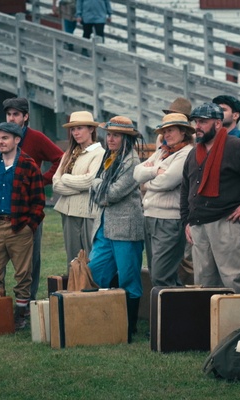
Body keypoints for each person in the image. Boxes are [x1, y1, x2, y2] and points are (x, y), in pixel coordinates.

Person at [180, 103, 240, 293]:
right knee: (204, 283)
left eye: (203, 122)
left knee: (236, 280)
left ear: (218, 124)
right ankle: (211, 323)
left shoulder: (237, 147)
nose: (198, 126)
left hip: (227, 222)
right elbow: (186, 188)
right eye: (196, 122)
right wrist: (186, 220)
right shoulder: (193, 153)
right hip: (199, 224)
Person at [0, 97, 63, 302]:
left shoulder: (36, 138)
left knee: (30, 261)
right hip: (2, 208)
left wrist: (42, 179)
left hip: (29, 210)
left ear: (25, 117)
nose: (11, 118)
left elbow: (60, 158)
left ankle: (28, 302)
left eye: (16, 114)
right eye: (9, 114)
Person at [0, 122, 45, 329]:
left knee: (23, 274)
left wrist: (29, 226)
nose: (1, 142)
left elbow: (38, 201)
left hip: (19, 226)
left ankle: (20, 313)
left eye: (5, 138)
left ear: (17, 140)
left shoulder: (29, 164)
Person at [88, 116, 144, 342]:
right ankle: (101, 320)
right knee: (95, 270)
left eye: (116, 135)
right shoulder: (108, 157)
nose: (110, 138)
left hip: (126, 229)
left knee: (129, 277)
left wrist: (95, 185)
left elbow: (111, 193)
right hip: (104, 226)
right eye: (109, 134)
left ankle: (128, 327)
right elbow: (102, 190)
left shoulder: (132, 162)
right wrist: (98, 186)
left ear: (126, 138)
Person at [134, 113, 194, 287]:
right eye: (164, 131)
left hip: (170, 219)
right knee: (158, 273)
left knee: (161, 275)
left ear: (183, 132)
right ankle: (174, 311)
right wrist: (155, 172)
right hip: (151, 216)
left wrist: (149, 175)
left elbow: (166, 182)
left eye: (171, 130)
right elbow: (137, 174)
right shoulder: (163, 152)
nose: (166, 135)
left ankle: (170, 312)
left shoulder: (186, 154)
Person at [52, 111, 105, 272]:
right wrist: (78, 187)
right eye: (73, 129)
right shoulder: (68, 154)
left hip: (87, 213)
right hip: (67, 211)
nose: (75, 133)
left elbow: (90, 181)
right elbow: (55, 183)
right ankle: (74, 293)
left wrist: (66, 178)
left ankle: (92, 293)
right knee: (72, 260)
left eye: (80, 128)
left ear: (91, 129)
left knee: (90, 258)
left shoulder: (99, 153)